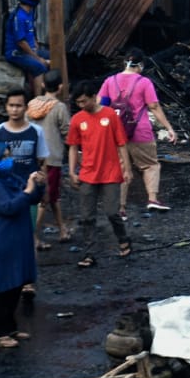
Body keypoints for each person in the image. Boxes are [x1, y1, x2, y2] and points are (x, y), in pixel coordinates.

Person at [0, 143, 44, 348]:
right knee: (1, 288)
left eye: (8, 155)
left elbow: (32, 198)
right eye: (2, 157)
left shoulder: (12, 178)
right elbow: (8, 207)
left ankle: (10, 327)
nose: (8, 160)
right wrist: (28, 191)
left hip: (17, 239)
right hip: (2, 240)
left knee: (15, 284)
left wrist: (38, 185)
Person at [98, 49, 178, 212]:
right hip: (139, 131)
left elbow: (101, 106)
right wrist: (169, 128)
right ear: (140, 65)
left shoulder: (109, 81)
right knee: (150, 165)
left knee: (120, 168)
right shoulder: (144, 82)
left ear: (124, 62)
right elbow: (154, 107)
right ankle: (152, 199)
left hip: (116, 132)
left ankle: (120, 208)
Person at [66, 80, 132, 268]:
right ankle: (89, 253)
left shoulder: (110, 115)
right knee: (87, 216)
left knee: (112, 212)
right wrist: (71, 171)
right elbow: (73, 147)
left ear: (94, 97)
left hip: (110, 172)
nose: (82, 105)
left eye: (84, 101)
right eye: (78, 103)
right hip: (87, 173)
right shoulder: (77, 119)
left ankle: (123, 238)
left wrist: (127, 169)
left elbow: (121, 143)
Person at [27, 70, 70, 245]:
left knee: (53, 195)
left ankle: (62, 230)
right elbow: (67, 132)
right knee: (44, 198)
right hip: (52, 157)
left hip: (33, 156)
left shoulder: (31, 104)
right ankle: (32, 237)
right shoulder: (59, 107)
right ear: (60, 87)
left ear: (43, 85)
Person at [4, 0, 50, 95]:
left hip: (28, 49)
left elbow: (31, 30)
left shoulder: (30, 12)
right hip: (16, 52)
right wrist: (37, 58)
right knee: (39, 67)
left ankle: (48, 91)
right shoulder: (18, 17)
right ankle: (38, 100)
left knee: (51, 56)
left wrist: (35, 44)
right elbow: (21, 42)